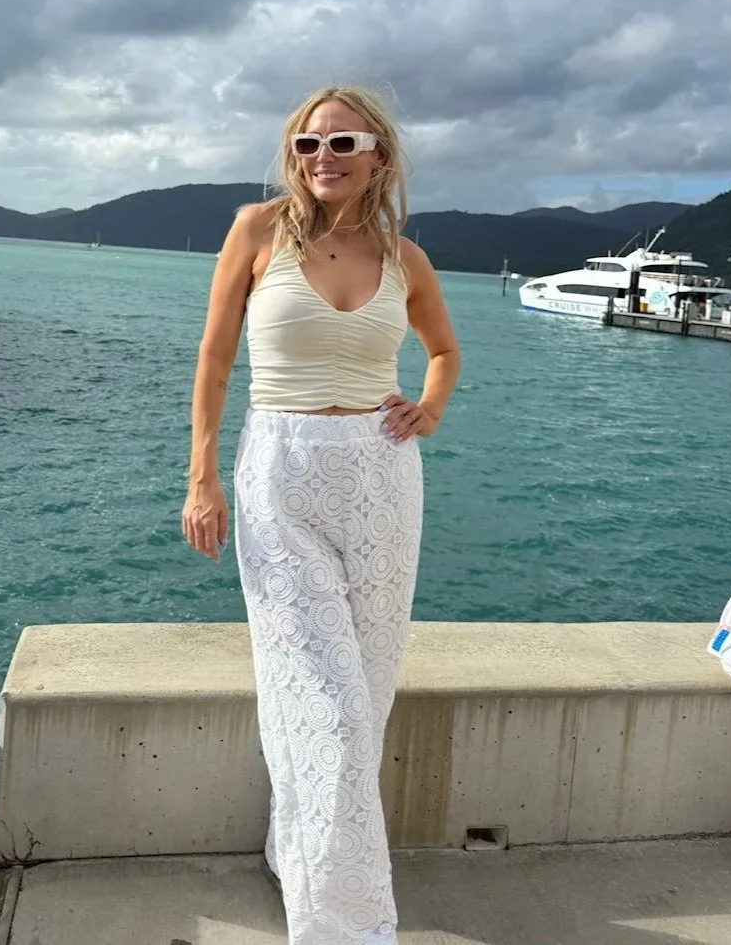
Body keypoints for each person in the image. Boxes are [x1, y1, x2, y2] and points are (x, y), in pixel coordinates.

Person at [181, 85, 460, 945]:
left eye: (343, 140)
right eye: (305, 143)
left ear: (379, 152)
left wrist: (430, 405)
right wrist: (202, 478)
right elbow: (216, 356)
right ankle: (346, 925)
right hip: (280, 473)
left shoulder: (404, 257)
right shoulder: (256, 230)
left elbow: (444, 350)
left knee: (363, 699)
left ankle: (293, 846)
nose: (322, 157)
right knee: (325, 705)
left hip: (382, 475)